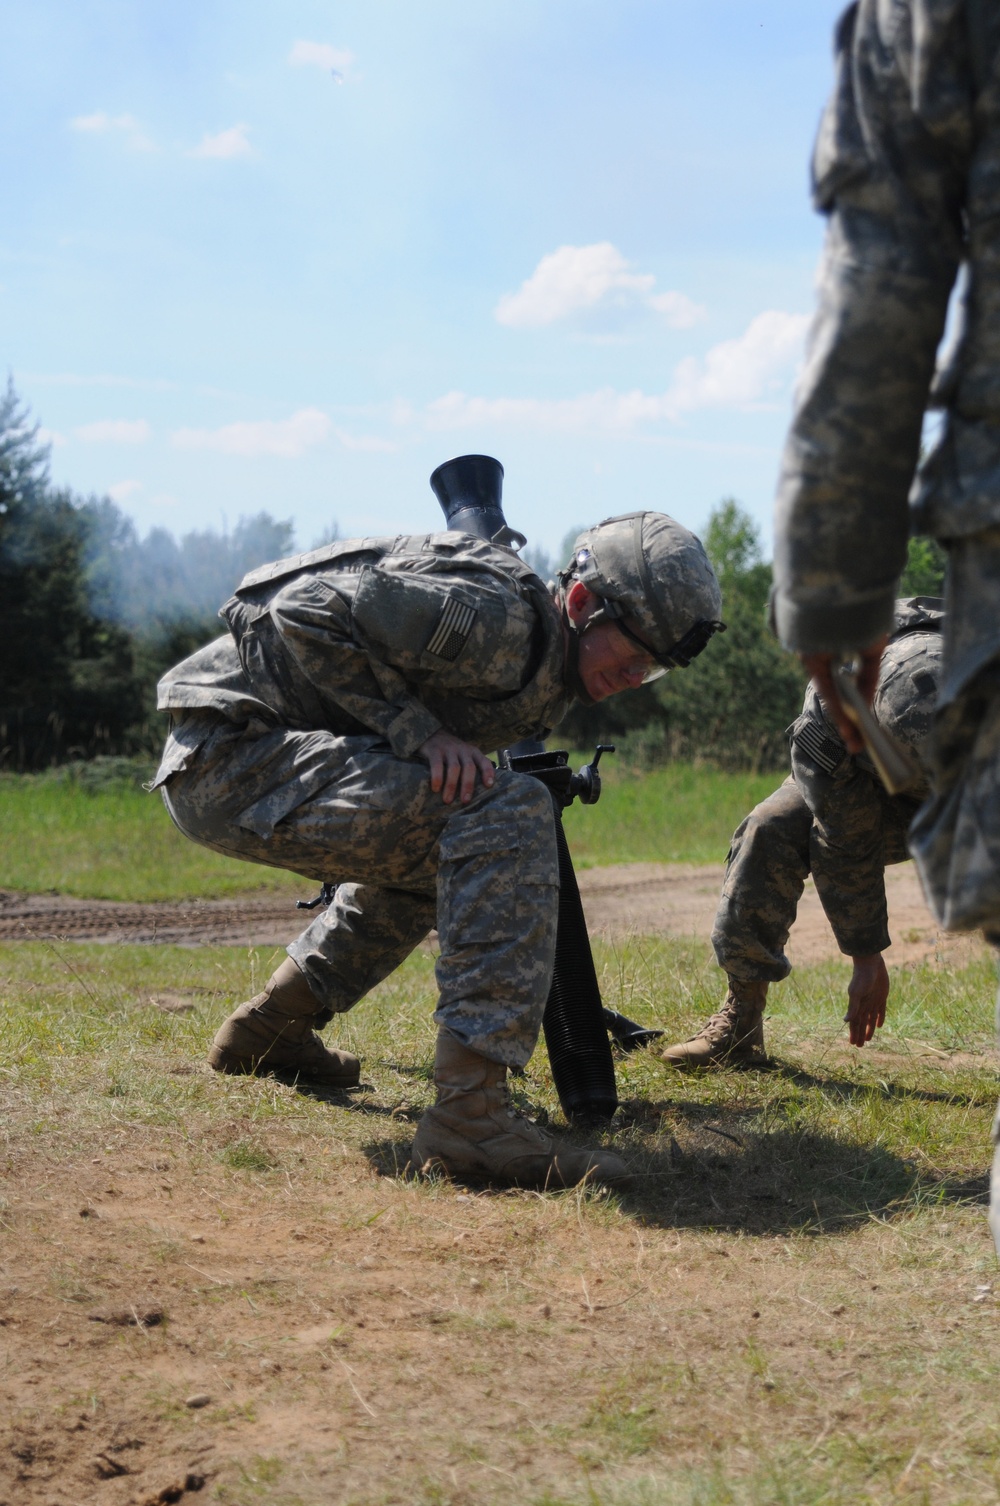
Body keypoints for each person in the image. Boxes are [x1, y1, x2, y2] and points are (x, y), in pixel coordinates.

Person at [150, 489, 723, 1189]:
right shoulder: (499, 617)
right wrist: (420, 734)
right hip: (228, 756)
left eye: (653, 669)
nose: (635, 679)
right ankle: (471, 1120)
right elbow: (300, 607)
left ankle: (270, 1032)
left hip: (241, 763)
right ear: (580, 606)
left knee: (451, 840)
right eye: (633, 654)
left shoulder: (545, 661)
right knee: (508, 815)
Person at [768, 3, 1000, 1246]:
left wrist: (828, 583)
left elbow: (880, 288)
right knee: (775, 829)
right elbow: (832, 831)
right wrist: (864, 953)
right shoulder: (831, 749)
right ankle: (739, 1014)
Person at [661, 601, 942, 1067]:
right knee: (768, 830)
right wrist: (866, 955)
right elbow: (843, 837)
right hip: (864, 777)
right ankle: (741, 1026)